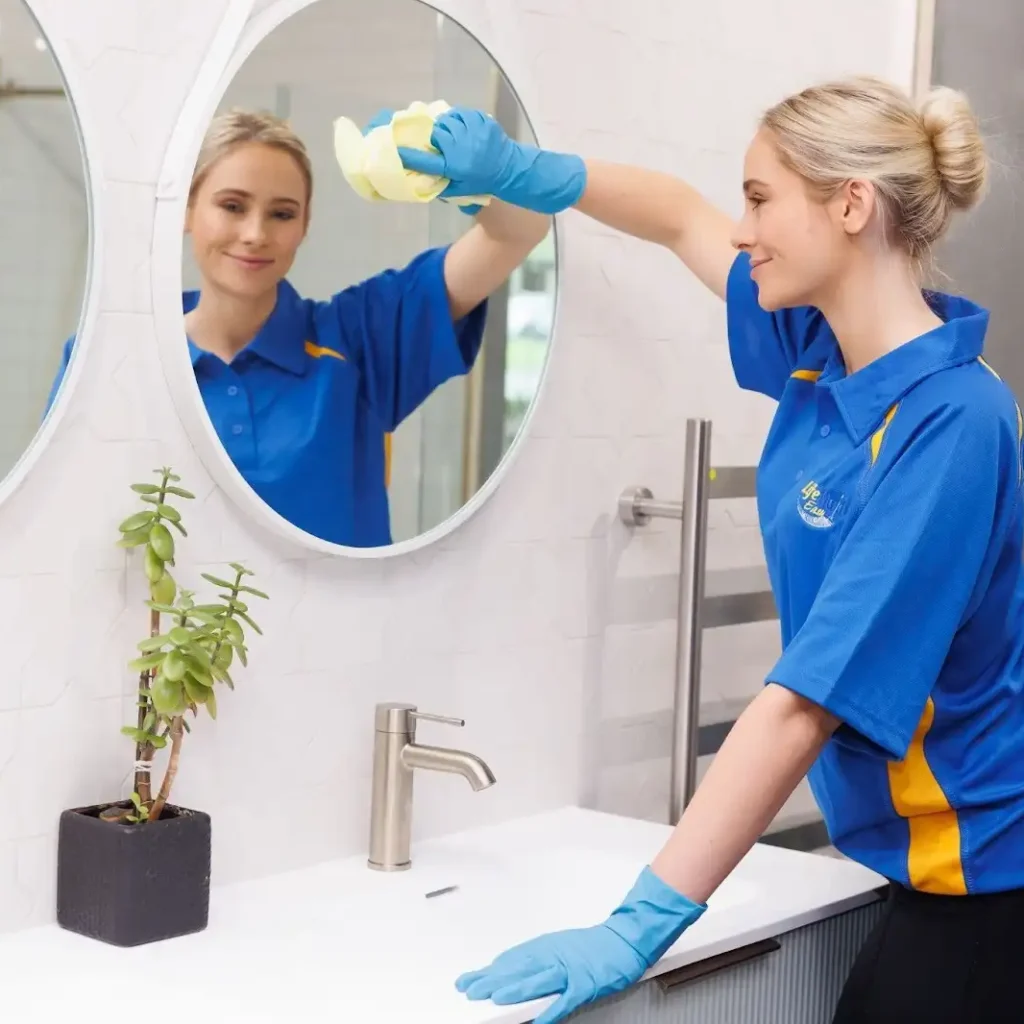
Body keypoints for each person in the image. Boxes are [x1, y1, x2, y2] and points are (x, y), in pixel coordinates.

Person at [397, 86, 1024, 1023]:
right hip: (919, 867)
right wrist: (531, 174)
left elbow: (803, 705)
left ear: (850, 206)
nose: (741, 227)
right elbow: (674, 215)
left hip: (988, 888)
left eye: (762, 199)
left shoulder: (953, 424)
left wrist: (638, 926)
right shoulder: (821, 349)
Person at [47, 109, 548, 547]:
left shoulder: (360, 340)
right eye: (232, 205)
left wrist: (475, 176)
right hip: (173, 654)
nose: (255, 234)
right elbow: (64, 521)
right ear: (186, 210)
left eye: (282, 213)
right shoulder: (115, 360)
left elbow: (522, 228)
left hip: (340, 649)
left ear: (304, 226)